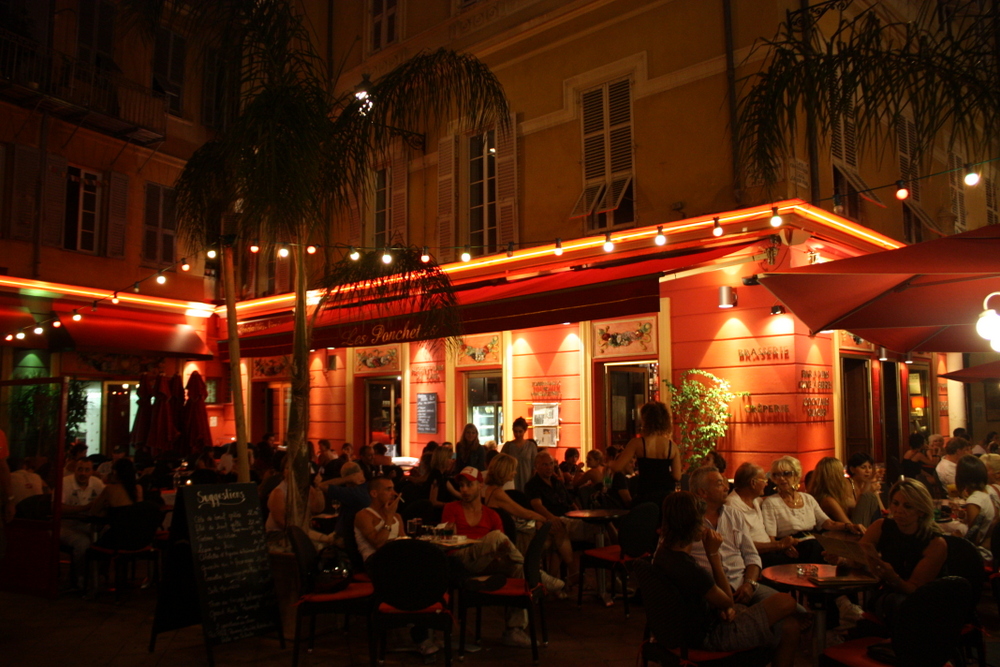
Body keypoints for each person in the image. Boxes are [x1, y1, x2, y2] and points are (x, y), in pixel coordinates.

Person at [653, 492, 801, 667]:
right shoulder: (690, 569)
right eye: (701, 521)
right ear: (692, 525)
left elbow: (710, 601)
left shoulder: (663, 555)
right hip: (710, 637)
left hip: (684, 629)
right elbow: (728, 601)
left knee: (790, 626)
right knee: (786, 601)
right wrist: (713, 554)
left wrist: (723, 607)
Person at [442, 467, 562, 648]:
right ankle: (537, 574)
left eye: (469, 485)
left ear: (480, 486)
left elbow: (503, 548)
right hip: (461, 560)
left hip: (488, 562)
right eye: (461, 485)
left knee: (518, 569)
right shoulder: (451, 508)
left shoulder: (492, 515)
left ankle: (514, 630)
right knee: (496, 537)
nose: (464, 489)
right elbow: (449, 541)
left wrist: (496, 553)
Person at [826, 479, 946, 629]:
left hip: (924, 599)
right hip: (889, 594)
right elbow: (857, 558)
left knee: (900, 603)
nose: (899, 510)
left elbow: (915, 590)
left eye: (907, 506)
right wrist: (841, 559)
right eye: (895, 503)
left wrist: (893, 577)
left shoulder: (935, 543)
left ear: (921, 510)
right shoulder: (881, 526)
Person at [688, 465, 787, 608]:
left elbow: (751, 555)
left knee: (792, 608)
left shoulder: (734, 515)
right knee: (780, 610)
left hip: (741, 584)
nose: (726, 488)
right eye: (719, 484)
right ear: (703, 492)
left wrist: (749, 583)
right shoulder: (688, 520)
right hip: (709, 592)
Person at [483, 454, 572, 577]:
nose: (515, 473)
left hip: (508, 534)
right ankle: (565, 576)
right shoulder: (497, 493)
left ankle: (554, 580)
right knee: (558, 533)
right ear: (504, 471)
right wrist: (546, 519)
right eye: (513, 469)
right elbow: (524, 513)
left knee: (556, 535)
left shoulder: (491, 490)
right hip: (511, 540)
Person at [761, 456, 863, 563]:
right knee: (820, 549)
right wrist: (782, 547)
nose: (781, 478)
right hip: (792, 545)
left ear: (796, 475)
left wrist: (849, 526)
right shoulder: (771, 502)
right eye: (777, 475)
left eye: (786, 473)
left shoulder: (808, 498)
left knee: (835, 550)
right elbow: (771, 537)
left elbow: (828, 523)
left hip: (812, 542)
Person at [605, 401, 682, 507]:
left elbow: (617, 467)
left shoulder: (637, 443)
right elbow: (677, 476)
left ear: (645, 420)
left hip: (645, 495)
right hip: (666, 498)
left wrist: (609, 463)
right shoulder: (672, 446)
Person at [726, 462, 800, 565]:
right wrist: (779, 545)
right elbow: (740, 545)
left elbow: (774, 501)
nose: (766, 484)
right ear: (753, 483)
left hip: (769, 551)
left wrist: (781, 547)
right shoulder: (731, 507)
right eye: (764, 480)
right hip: (752, 558)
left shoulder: (755, 500)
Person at [525, 451, 603, 545]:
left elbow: (571, 502)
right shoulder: (533, 485)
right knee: (597, 528)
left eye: (551, 464)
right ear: (537, 466)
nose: (549, 467)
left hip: (570, 517)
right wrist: (552, 518)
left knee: (601, 525)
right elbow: (537, 505)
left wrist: (580, 514)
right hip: (556, 519)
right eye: (545, 465)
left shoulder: (557, 482)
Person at [60, 459, 105, 589]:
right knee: (83, 543)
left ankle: (98, 574)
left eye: (87, 470)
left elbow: (107, 499)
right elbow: (57, 508)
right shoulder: (65, 483)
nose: (83, 473)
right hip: (65, 526)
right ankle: (80, 578)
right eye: (80, 469)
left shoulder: (96, 483)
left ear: (92, 471)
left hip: (88, 525)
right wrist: (85, 507)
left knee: (108, 534)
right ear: (74, 470)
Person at [810, 457, 880, 528]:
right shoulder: (828, 500)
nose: (843, 475)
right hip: (847, 530)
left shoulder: (836, 494)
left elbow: (855, 505)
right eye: (841, 472)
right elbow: (848, 524)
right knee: (869, 497)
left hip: (853, 526)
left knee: (871, 498)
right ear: (835, 476)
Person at [265, 460, 327, 534]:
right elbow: (280, 521)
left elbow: (318, 509)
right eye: (287, 468)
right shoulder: (279, 492)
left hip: (302, 531)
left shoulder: (307, 488)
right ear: (283, 472)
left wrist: (318, 487)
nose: (291, 471)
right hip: (280, 534)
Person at [953, 455, 997, 555]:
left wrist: (958, 537)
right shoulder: (989, 492)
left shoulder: (974, 500)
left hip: (982, 554)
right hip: (993, 549)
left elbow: (972, 541)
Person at [354, 476, 403, 562]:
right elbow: (379, 544)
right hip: (375, 561)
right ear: (374, 494)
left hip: (395, 558)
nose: (394, 493)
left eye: (393, 489)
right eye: (388, 489)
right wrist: (389, 517)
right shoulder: (364, 515)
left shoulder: (397, 516)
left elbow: (404, 540)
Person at [500, 417, 537, 492]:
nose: (518, 434)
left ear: (525, 431)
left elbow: (535, 466)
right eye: (515, 431)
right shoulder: (508, 446)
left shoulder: (531, 446)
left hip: (527, 480)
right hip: (510, 480)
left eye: (520, 431)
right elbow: (501, 463)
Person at [845, 452, 884, 522]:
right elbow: (853, 507)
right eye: (863, 467)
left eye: (870, 467)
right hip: (852, 522)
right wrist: (868, 487)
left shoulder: (869, 485)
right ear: (852, 469)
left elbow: (881, 510)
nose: (867, 471)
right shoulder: (847, 483)